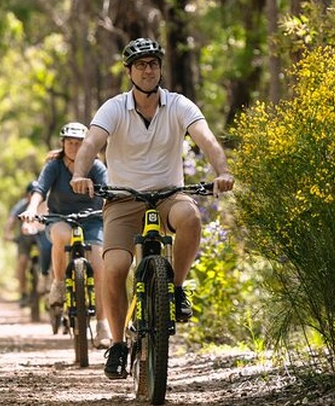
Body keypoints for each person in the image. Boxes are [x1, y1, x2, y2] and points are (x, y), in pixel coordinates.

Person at [69, 37, 235, 379]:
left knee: (189, 216)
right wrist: (79, 174)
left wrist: (223, 171)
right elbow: (90, 144)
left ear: (160, 69)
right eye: (141, 65)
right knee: (114, 267)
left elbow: (206, 139)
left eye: (154, 64)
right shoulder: (114, 108)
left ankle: (174, 289)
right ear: (129, 71)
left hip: (168, 194)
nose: (148, 70)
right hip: (123, 199)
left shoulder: (178, 105)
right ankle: (117, 344)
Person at [19, 122, 113, 349]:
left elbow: (109, 192)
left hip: (92, 220)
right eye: (70, 143)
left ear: (86, 145)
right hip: (60, 217)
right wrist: (32, 209)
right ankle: (59, 284)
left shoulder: (97, 166)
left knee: (100, 264)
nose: (74, 147)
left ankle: (102, 324)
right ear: (63, 144)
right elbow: (40, 190)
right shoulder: (54, 166)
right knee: (61, 236)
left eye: (79, 143)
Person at [3, 182, 51, 306]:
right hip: (25, 237)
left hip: (42, 234)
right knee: (22, 261)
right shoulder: (22, 205)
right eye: (31, 194)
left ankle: (48, 284)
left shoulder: (48, 204)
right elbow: (11, 220)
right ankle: (23, 292)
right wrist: (8, 233)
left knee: (49, 253)